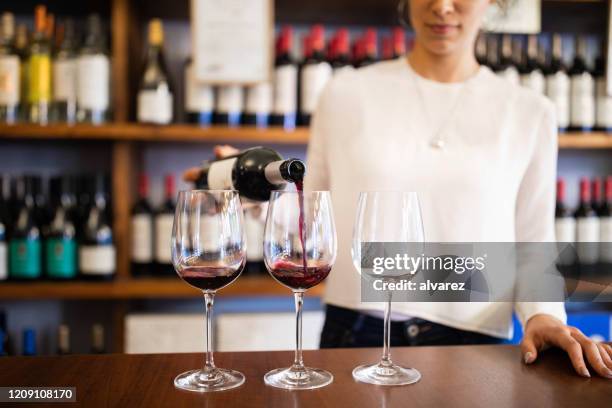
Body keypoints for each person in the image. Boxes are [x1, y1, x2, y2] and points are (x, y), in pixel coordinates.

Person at [185, 0, 612, 379]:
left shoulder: (531, 113)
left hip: (472, 339)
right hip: (356, 330)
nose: (442, 7)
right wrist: (251, 194)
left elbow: (534, 238)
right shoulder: (345, 92)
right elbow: (311, 211)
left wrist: (543, 315)